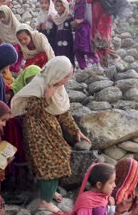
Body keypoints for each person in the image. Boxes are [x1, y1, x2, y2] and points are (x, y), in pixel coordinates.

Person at [11, 56, 91, 213]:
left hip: (50, 127)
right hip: (36, 131)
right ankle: (45, 201)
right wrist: (46, 98)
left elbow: (63, 113)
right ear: (56, 73)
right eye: (65, 76)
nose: (67, 80)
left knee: (61, 155)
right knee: (48, 162)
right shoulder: (40, 84)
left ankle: (48, 191)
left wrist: (76, 131)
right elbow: (29, 110)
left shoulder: (57, 87)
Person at [86, 0, 125, 67]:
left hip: (105, 16)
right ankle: (103, 63)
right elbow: (89, 0)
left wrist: (110, 4)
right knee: (95, 38)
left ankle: (114, 57)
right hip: (95, 16)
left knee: (103, 38)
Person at [72, 0, 99, 70]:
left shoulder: (86, 5)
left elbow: (89, 18)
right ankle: (83, 67)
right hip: (78, 30)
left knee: (86, 48)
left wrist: (80, 21)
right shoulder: (75, 5)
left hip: (85, 30)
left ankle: (97, 63)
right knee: (77, 49)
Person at [0, 6, 23, 72]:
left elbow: (22, 40)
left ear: (8, 15)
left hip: (18, 47)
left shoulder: (17, 26)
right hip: (6, 46)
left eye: (4, 16)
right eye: (0, 17)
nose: (2, 19)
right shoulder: (0, 26)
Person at [51, 0, 74, 67]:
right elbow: (54, 30)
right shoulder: (56, 18)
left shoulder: (69, 17)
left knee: (68, 53)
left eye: (61, 5)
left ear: (66, 6)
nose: (59, 8)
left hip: (67, 38)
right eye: (57, 6)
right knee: (59, 53)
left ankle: (70, 67)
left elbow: (72, 29)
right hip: (58, 39)